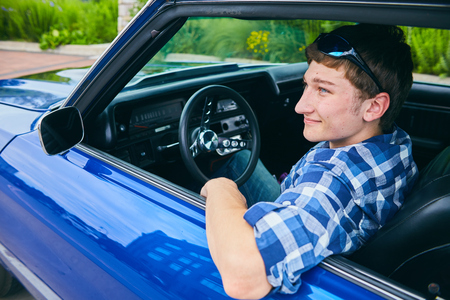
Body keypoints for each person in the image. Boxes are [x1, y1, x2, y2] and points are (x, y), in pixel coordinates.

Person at [201, 24, 419, 299]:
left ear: (374, 107)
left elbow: (243, 275)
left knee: (230, 169)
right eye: (307, 85)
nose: (300, 106)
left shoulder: (334, 181)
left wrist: (221, 188)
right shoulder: (395, 141)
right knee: (241, 157)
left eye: (324, 90)